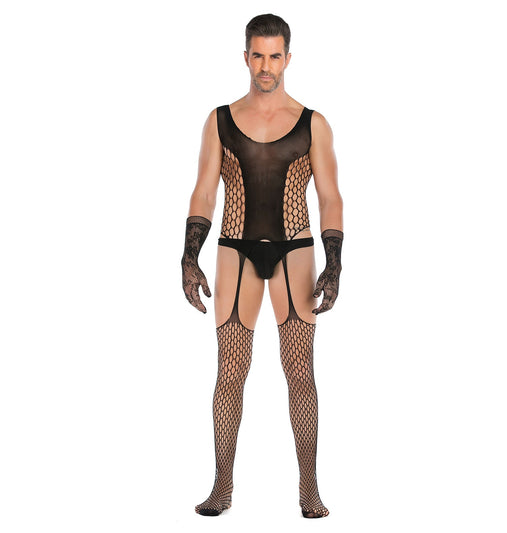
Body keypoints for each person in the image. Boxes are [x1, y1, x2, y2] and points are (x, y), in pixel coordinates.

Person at [181, 14, 343, 518]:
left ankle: (309, 489)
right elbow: (204, 190)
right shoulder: (220, 120)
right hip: (235, 247)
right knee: (230, 371)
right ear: (245, 57)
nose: (266, 66)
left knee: (300, 372)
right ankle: (222, 487)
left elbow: (330, 196)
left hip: (295, 250)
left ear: (288, 58)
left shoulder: (313, 123)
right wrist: (189, 254)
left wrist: (335, 262)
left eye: (275, 56)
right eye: (258, 55)